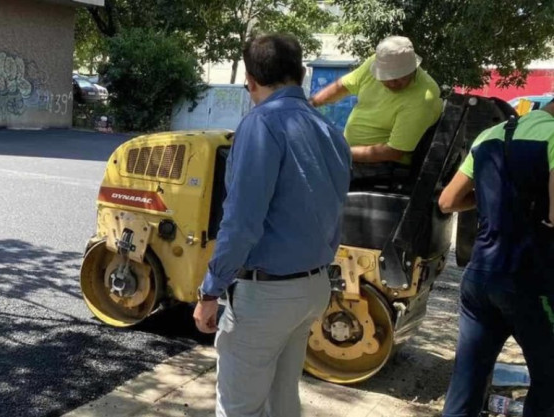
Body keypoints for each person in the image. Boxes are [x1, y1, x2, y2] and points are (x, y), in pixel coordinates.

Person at [192, 34, 351, 417]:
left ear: (250, 80)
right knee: (282, 400)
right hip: (312, 287)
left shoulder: (260, 125)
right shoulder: (329, 132)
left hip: (267, 295)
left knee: (240, 408)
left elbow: (242, 222)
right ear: (300, 73)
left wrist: (210, 290)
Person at [438, 100, 554, 417]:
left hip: (479, 277)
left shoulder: (489, 134)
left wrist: (492, 201)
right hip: (530, 279)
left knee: (468, 379)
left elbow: (448, 201)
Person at [309, 36, 442, 178]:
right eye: (385, 77)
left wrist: (340, 151)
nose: (392, 83)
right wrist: (308, 105)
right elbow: (342, 87)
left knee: (308, 172)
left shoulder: (424, 96)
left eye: (399, 77)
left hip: (383, 167)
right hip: (353, 155)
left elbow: (394, 152)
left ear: (413, 69)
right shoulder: (377, 62)